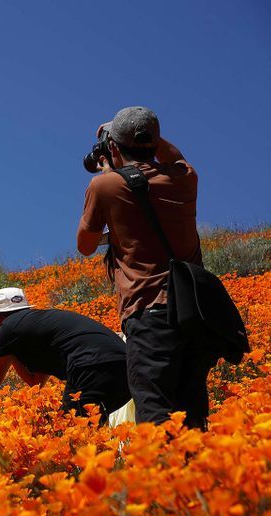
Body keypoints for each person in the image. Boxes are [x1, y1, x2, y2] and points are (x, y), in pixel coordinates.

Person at [76, 106, 215, 430]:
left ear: (112, 147)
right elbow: (174, 157)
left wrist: (109, 175)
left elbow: (85, 245)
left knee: (155, 412)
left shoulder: (105, 186)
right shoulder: (185, 178)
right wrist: (144, 135)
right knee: (192, 416)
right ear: (155, 141)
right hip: (195, 314)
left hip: (150, 313)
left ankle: (162, 465)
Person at [0, 288, 131, 424]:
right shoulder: (40, 322)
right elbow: (35, 382)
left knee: (72, 432)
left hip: (92, 367)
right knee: (89, 430)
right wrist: (11, 351)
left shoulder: (8, 327)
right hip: (127, 368)